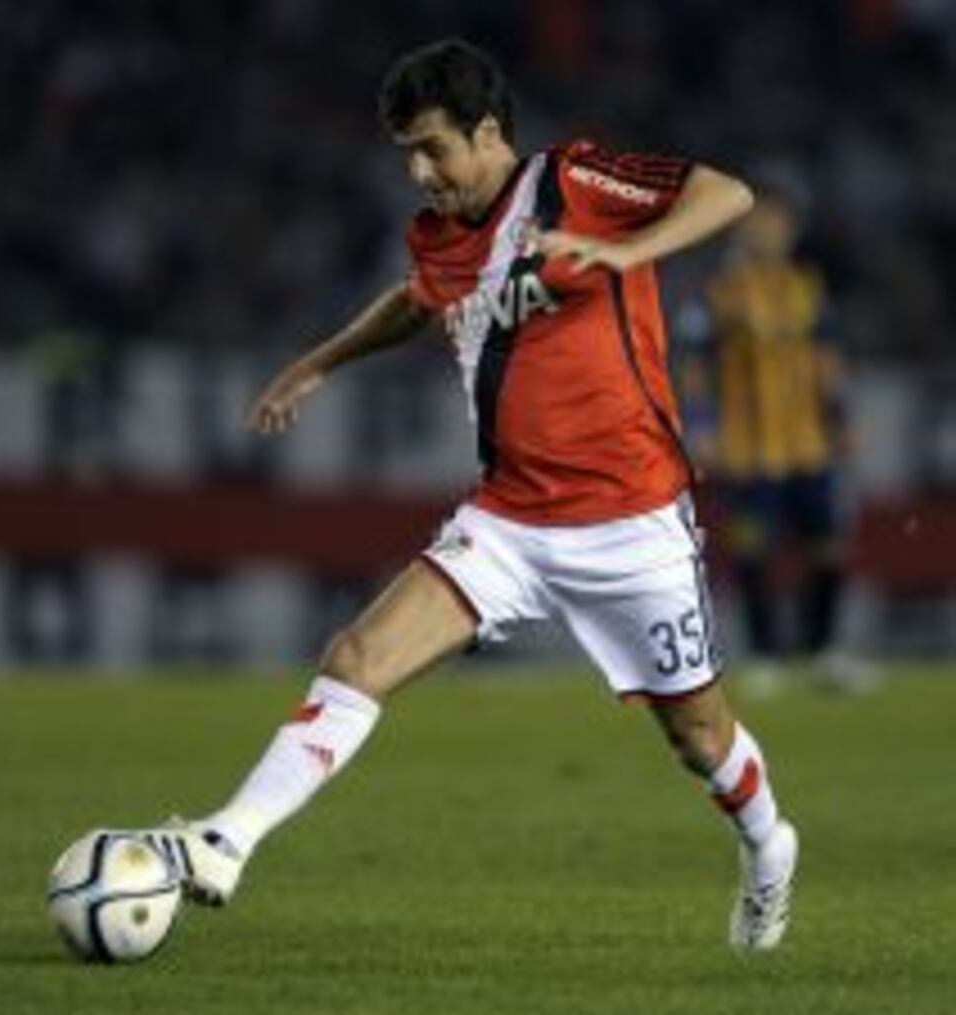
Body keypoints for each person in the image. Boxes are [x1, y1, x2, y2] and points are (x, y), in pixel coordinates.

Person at [149, 38, 798, 951]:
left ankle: (769, 847)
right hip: (509, 522)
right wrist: (319, 362)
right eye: (406, 154)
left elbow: (727, 193)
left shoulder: (572, 183)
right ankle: (225, 840)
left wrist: (627, 251)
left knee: (700, 740)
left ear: (487, 132)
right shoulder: (438, 234)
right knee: (357, 656)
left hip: (634, 522)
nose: (419, 172)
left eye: (432, 148)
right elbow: (419, 297)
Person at [678, 186, 866, 692]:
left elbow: (828, 359)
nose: (767, 231)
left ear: (792, 230)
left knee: (828, 546)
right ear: (740, 228)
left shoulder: (807, 286)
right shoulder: (719, 289)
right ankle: (766, 655)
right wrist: (701, 425)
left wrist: (842, 418)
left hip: (809, 444)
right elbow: (695, 364)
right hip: (748, 448)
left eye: (776, 222)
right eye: (758, 221)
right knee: (754, 550)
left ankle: (823, 650)